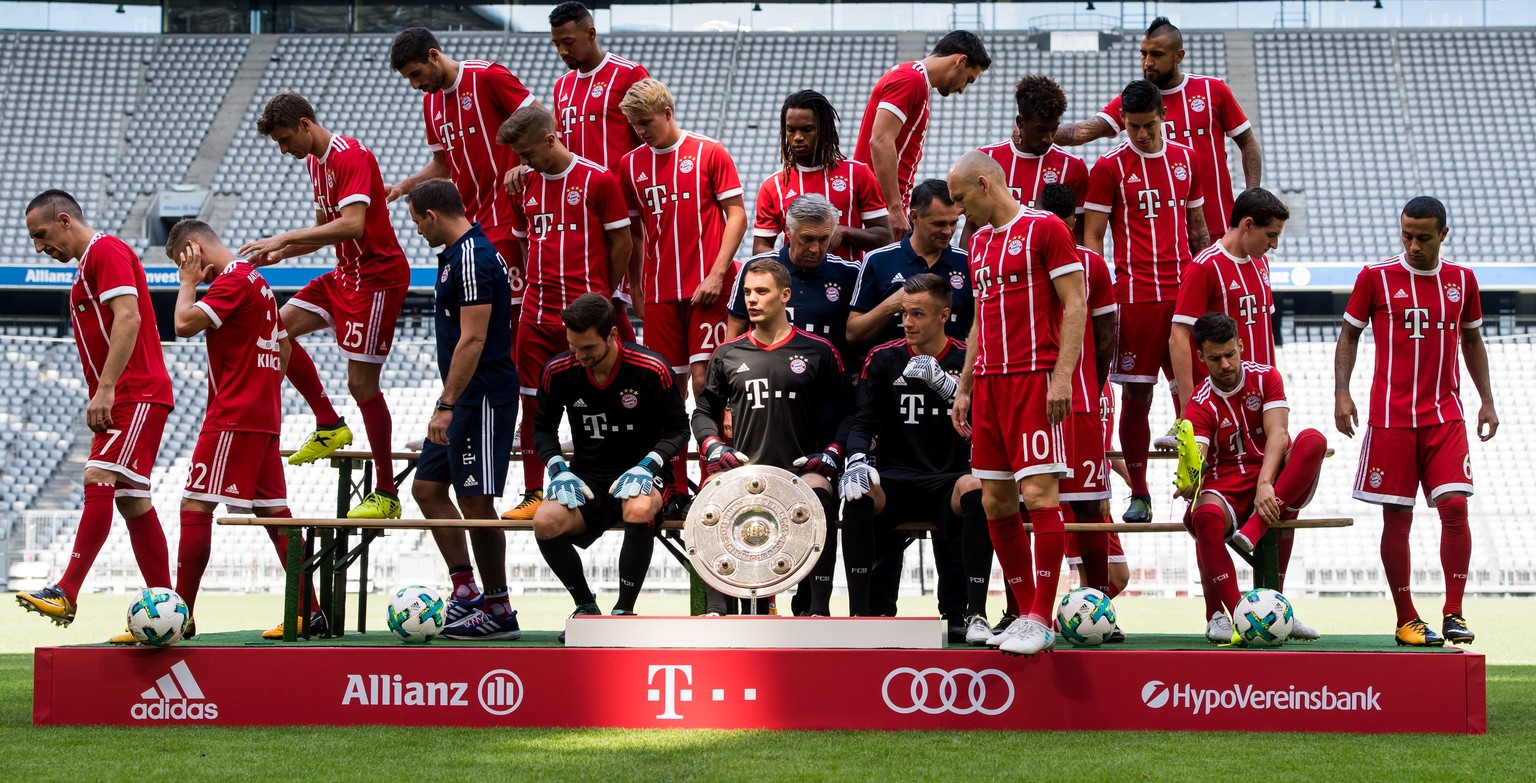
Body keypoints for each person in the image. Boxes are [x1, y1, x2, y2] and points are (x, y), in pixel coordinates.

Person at [1336, 196, 1497, 647]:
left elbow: (1473, 341)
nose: (1412, 245)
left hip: (1445, 417)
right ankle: (1407, 618)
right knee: (1397, 517)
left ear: (1443, 234)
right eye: (1406, 235)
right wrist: (1342, 391)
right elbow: (1349, 334)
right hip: (1390, 419)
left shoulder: (1462, 281)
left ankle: (1454, 612)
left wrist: (1487, 400)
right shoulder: (1376, 277)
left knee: (1455, 509)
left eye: (1423, 237)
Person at [241, 91, 409, 519]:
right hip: (344, 274)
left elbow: (352, 223)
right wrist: (281, 254)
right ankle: (329, 423)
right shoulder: (316, 163)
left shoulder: (349, 155)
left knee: (361, 384)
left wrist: (282, 237)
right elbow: (326, 230)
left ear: (304, 124)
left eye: (284, 140)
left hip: (377, 279)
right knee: (271, 329)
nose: (283, 150)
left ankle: (386, 493)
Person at [147, 220, 316, 641]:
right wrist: (262, 388)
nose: (189, 271)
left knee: (194, 507)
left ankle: (178, 616)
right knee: (275, 512)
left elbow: (183, 324)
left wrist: (187, 284)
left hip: (232, 417)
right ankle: (309, 610)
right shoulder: (257, 281)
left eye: (182, 261)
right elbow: (284, 345)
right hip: (262, 417)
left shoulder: (232, 279)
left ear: (193, 249)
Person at [948, 152, 1086, 656]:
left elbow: (1076, 302)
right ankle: (1025, 614)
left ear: (986, 184)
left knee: (1040, 495)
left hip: (1033, 378)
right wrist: (964, 386)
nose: (961, 212)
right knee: (995, 501)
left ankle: (1040, 616)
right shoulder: (979, 243)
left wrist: (1063, 376)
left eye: (963, 200)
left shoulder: (1045, 228)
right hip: (989, 383)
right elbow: (981, 321)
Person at [15, 190, 173, 628]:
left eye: (41, 235)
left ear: (65, 220)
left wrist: (105, 389)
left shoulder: (105, 250)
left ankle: (66, 591)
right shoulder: (88, 264)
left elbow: (129, 318)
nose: (39, 248)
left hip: (134, 391)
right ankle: (175, 611)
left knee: (98, 475)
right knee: (132, 500)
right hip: (125, 394)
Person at [1083, 79, 1211, 524]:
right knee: (1137, 397)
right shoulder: (1108, 167)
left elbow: (1197, 230)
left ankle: (1195, 486)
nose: (1140, 134)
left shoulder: (1186, 160)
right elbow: (1094, 238)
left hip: (1183, 298)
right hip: (1134, 299)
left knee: (1190, 398)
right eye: (1132, 126)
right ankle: (1139, 493)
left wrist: (1205, 287)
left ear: (1163, 117)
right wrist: (1098, 295)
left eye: (1148, 125)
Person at [497, 106, 633, 523]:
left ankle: (620, 482)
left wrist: (601, 295)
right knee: (533, 405)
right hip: (536, 313)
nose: (523, 162)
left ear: (550, 139)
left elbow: (623, 243)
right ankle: (535, 490)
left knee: (611, 398)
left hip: (586, 315)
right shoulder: (525, 187)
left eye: (526, 153)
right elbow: (524, 242)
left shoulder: (598, 179)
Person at [692, 258, 850, 616]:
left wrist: (831, 453)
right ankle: (717, 609)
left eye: (761, 292)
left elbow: (850, 412)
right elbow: (702, 412)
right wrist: (714, 446)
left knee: (822, 497)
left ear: (784, 296)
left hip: (799, 471)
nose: (752, 299)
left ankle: (818, 608)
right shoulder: (728, 353)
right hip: (744, 473)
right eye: (747, 292)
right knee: (707, 496)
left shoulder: (818, 351)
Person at [618, 78, 747, 512]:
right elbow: (633, 233)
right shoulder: (629, 165)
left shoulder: (709, 151)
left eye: (646, 122)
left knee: (706, 382)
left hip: (705, 290)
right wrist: (635, 285)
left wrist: (717, 273)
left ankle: (714, 479)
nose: (640, 131)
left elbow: (736, 215)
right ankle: (673, 487)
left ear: (668, 113)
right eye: (634, 124)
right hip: (658, 293)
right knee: (665, 389)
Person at [405, 180, 522, 641]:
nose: (417, 230)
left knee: (476, 502)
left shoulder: (471, 256)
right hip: (463, 398)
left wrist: (446, 405)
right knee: (428, 489)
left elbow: (473, 338)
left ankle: (499, 608)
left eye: (416, 221)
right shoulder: (457, 256)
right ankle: (467, 592)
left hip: (482, 396)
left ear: (432, 214)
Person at [531, 294, 689, 635]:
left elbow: (679, 427)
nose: (579, 356)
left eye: (588, 347)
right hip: (586, 478)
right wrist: (558, 468)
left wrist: (649, 465)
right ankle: (586, 608)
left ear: (613, 335)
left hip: (643, 474)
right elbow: (542, 429)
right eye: (573, 346)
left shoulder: (651, 368)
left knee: (638, 508)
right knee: (544, 521)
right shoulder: (558, 371)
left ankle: (623, 613)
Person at [1177, 312, 1327, 643]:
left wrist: (1265, 484)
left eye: (1231, 354)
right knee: (1203, 515)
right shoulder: (1199, 403)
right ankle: (1243, 619)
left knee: (1313, 440)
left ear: (1241, 346)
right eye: (1215, 358)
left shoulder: (1267, 377)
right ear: (1201, 357)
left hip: (1271, 477)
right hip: (1226, 483)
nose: (1226, 364)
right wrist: (1191, 481)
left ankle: (1277, 605)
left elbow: (1278, 432)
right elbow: (1198, 456)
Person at [841, 273, 982, 627]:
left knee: (977, 491)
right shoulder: (883, 357)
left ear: (944, 314)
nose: (907, 322)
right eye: (903, 313)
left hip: (949, 478)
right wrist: (856, 458)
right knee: (858, 492)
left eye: (917, 314)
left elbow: (988, 426)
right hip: (894, 479)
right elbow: (862, 422)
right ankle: (861, 613)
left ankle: (971, 614)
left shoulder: (970, 361)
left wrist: (951, 388)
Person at [1055, 16, 1261, 239]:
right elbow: (1081, 132)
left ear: (1178, 56)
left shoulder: (1213, 91)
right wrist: (1037, 131)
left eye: (1157, 55)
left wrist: (1251, 193)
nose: (1147, 62)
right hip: (1170, 239)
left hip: (1219, 229)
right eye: (1144, 54)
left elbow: (1248, 142)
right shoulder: (1136, 102)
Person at [1036, 183, 1120, 630]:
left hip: (1073, 401)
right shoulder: (1032, 254)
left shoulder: (1090, 265)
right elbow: (1106, 336)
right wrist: (1093, 381)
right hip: (1050, 399)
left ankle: (1101, 611)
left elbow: (1107, 332)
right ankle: (1029, 610)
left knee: (1089, 506)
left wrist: (1093, 383)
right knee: (1043, 505)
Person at [547, 0, 647, 343]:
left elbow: (648, 141)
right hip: (579, 210)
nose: (562, 50)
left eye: (569, 42)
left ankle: (640, 374)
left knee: (616, 300)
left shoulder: (629, 74)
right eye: (557, 44)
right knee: (597, 304)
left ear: (591, 33)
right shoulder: (561, 87)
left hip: (623, 211)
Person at [854, 30, 991, 238]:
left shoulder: (915, 80)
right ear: (960, 61)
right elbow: (880, 141)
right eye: (968, 80)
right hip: (879, 206)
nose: (962, 89)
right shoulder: (911, 79)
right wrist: (894, 207)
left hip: (882, 204)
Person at [1172, 187, 1286, 411]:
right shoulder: (1204, 267)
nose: (1274, 245)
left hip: (1262, 395)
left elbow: (1266, 329)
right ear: (1248, 225)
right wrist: (1188, 406)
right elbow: (1178, 337)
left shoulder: (1261, 263)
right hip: (1222, 400)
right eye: (1271, 235)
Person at [752, 90, 890, 261]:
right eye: (791, 130)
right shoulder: (773, 185)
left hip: (851, 285)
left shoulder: (858, 174)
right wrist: (789, 262)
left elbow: (885, 237)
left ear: (824, 128)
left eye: (807, 129)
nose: (798, 137)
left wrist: (844, 232)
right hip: (795, 286)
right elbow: (759, 247)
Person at [727, 195, 862, 364]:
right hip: (769, 375)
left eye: (823, 240)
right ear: (788, 231)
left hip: (829, 380)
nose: (815, 249)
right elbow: (733, 338)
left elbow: (861, 338)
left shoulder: (850, 273)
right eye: (807, 239)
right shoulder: (754, 269)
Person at [847, 180, 971, 349]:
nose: (948, 231)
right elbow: (853, 334)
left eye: (953, 223)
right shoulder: (878, 260)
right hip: (892, 371)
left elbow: (979, 329)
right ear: (914, 217)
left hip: (950, 372)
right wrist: (893, 304)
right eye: (939, 224)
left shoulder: (968, 263)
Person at [969, 75, 1089, 247]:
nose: (1049, 138)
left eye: (1054, 129)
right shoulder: (986, 159)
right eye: (1041, 130)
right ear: (1020, 122)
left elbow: (1078, 236)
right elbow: (971, 228)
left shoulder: (1073, 167)